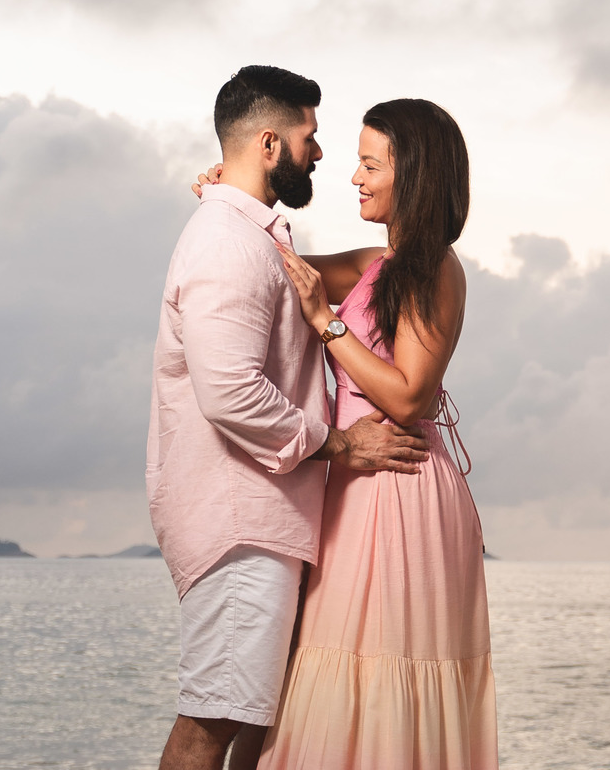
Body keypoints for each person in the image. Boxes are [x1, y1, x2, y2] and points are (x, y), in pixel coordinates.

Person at [147, 67, 429, 770]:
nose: (322, 155)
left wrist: (222, 187)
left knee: (248, 720)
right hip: (243, 516)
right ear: (271, 143)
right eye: (310, 137)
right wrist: (339, 443)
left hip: (266, 514)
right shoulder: (228, 242)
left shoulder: (251, 234)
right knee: (213, 719)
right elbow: (230, 391)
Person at [256, 99, 498, 768]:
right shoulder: (375, 263)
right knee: (338, 670)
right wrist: (233, 193)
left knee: (385, 672)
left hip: (400, 486)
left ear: (412, 175)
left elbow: (410, 393)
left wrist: (326, 324)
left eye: (370, 164)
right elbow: (283, 267)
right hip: (356, 484)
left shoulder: (434, 268)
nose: (355, 177)